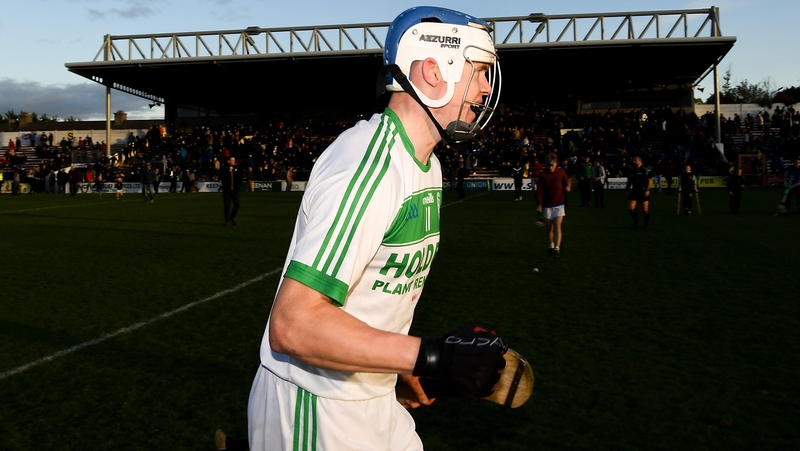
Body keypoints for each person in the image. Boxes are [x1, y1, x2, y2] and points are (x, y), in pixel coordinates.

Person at [247, 7, 507, 451]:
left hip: (370, 395)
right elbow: (293, 325)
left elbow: (371, 295)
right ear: (433, 71)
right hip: (316, 404)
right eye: (478, 70)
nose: (485, 89)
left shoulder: (427, 165)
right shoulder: (369, 165)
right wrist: (433, 357)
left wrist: (402, 364)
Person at [536, 153, 570, 256]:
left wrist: (568, 186)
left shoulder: (560, 172)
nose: (550, 167)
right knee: (549, 228)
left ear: (556, 163)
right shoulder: (543, 175)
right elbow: (539, 191)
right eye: (548, 165)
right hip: (547, 204)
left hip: (559, 203)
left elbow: (566, 179)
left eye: (552, 165)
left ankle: (557, 248)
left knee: (557, 226)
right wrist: (539, 204)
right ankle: (551, 245)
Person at [626, 155, 652, 228]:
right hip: (634, 190)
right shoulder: (632, 170)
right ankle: (636, 223)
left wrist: (647, 189)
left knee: (645, 210)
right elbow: (629, 181)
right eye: (633, 160)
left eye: (635, 160)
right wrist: (627, 189)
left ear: (640, 161)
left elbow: (650, 180)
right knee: (631, 208)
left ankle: (646, 224)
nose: (634, 161)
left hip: (643, 190)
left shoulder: (645, 169)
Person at [220, 155, 243, 226]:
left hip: (235, 189)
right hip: (227, 190)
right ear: (228, 161)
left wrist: (238, 185)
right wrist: (228, 172)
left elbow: (240, 178)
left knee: (237, 204)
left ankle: (232, 217)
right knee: (227, 205)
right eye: (232, 160)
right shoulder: (224, 168)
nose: (233, 161)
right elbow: (221, 177)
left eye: (234, 160)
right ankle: (227, 221)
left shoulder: (238, 168)